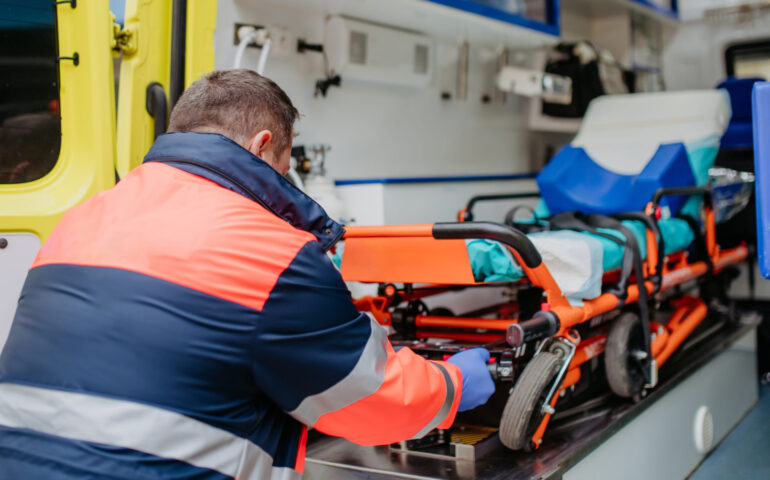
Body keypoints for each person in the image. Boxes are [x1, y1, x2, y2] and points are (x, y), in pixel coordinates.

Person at [0, 69, 495, 479]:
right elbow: (373, 399)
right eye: (284, 164)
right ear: (263, 147)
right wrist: (453, 384)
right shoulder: (273, 250)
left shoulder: (87, 215)